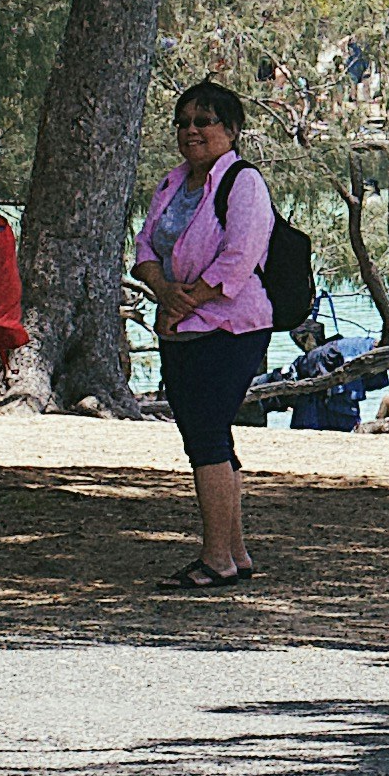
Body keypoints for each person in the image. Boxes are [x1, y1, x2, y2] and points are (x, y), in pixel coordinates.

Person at [135, 79, 277, 592]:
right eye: (184, 122)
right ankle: (234, 554)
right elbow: (145, 246)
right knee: (207, 438)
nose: (191, 131)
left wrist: (184, 300)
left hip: (229, 328)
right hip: (180, 328)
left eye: (205, 121)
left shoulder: (243, 183)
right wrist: (165, 294)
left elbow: (238, 259)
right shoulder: (173, 183)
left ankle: (215, 558)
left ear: (232, 130)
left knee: (208, 439)